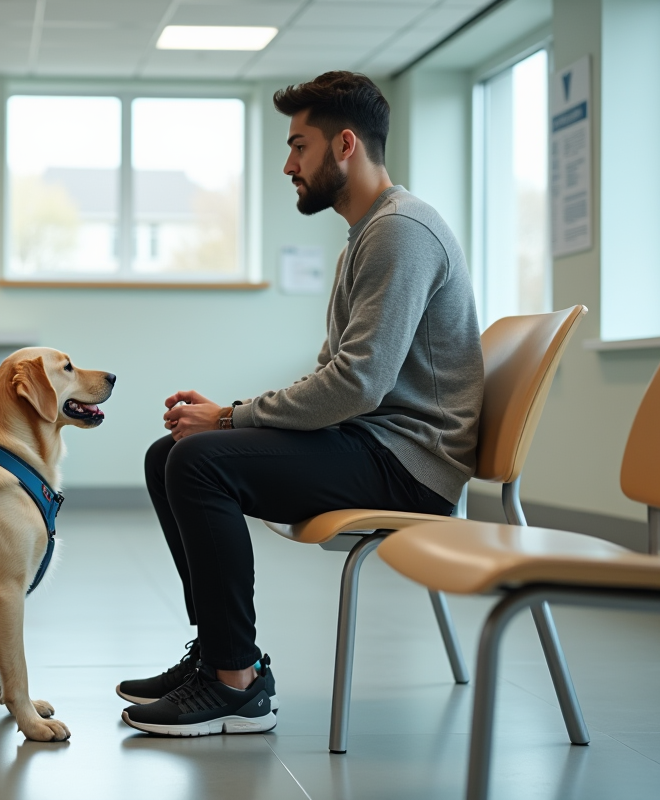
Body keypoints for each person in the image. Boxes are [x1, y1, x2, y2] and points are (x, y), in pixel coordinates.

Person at [117, 71, 484, 737]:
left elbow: (356, 386)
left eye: (299, 146)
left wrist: (228, 417)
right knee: (169, 453)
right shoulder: (369, 235)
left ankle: (234, 683)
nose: (288, 165)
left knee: (197, 463)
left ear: (345, 144)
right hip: (375, 444)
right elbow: (341, 378)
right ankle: (224, 654)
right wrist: (223, 417)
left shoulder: (401, 232)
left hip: (407, 466)